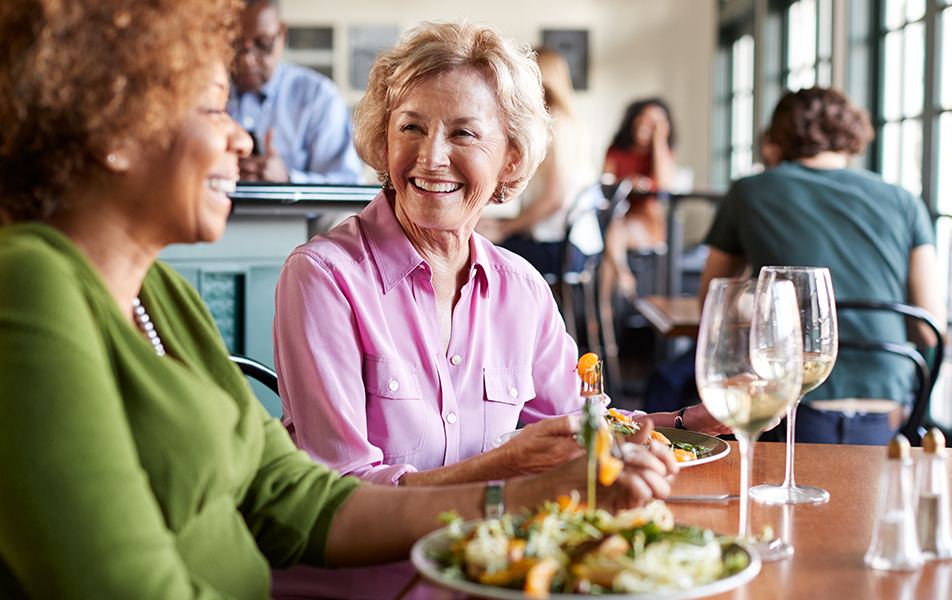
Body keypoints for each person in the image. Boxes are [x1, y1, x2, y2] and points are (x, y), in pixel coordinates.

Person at [0, 4, 679, 598]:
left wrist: (544, 487)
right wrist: (515, 482)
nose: (240, 136)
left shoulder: (159, 293)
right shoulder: (30, 288)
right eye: (213, 107)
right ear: (115, 131)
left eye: (464, 132)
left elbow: (292, 496)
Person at [271, 21, 725, 599]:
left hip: (488, 576)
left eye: (463, 134)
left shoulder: (521, 289)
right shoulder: (323, 278)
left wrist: (679, 424)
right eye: (410, 126)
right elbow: (341, 501)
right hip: (370, 587)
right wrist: (505, 466)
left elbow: (582, 429)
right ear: (384, 141)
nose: (431, 157)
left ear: (510, 157)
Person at [700, 86, 947, 445]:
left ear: (778, 137)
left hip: (789, 404)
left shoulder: (750, 191)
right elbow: (930, 326)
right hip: (886, 406)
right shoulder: (904, 200)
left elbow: (712, 300)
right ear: (850, 133)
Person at [475, 47, 602, 277]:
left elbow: (554, 199)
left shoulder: (557, 124)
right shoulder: (567, 121)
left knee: (476, 249)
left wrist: (504, 228)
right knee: (481, 232)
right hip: (567, 243)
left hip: (562, 249)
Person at [228, 0, 363, 183]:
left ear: (282, 33)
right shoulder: (198, 94)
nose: (247, 60)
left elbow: (347, 185)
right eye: (234, 43)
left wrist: (288, 180)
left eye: (263, 43)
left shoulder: (320, 98)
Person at [601, 98, 676, 300]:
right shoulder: (617, 148)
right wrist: (626, 182)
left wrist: (659, 141)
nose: (644, 123)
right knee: (613, 236)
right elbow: (604, 183)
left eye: (654, 122)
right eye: (642, 117)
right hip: (617, 218)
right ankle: (622, 277)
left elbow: (663, 184)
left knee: (611, 246)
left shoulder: (662, 153)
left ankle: (601, 319)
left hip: (647, 222)